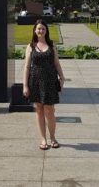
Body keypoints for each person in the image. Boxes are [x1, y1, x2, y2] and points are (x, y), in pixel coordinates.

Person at [23, 19, 65, 150]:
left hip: (50, 81)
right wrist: (25, 85)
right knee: (39, 110)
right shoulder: (30, 46)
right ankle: (43, 139)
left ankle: (53, 137)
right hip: (35, 82)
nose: (40, 31)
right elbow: (27, 67)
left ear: (46, 31)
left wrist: (62, 77)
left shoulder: (52, 45)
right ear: (35, 31)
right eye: (38, 29)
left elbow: (56, 63)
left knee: (50, 110)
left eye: (43, 29)